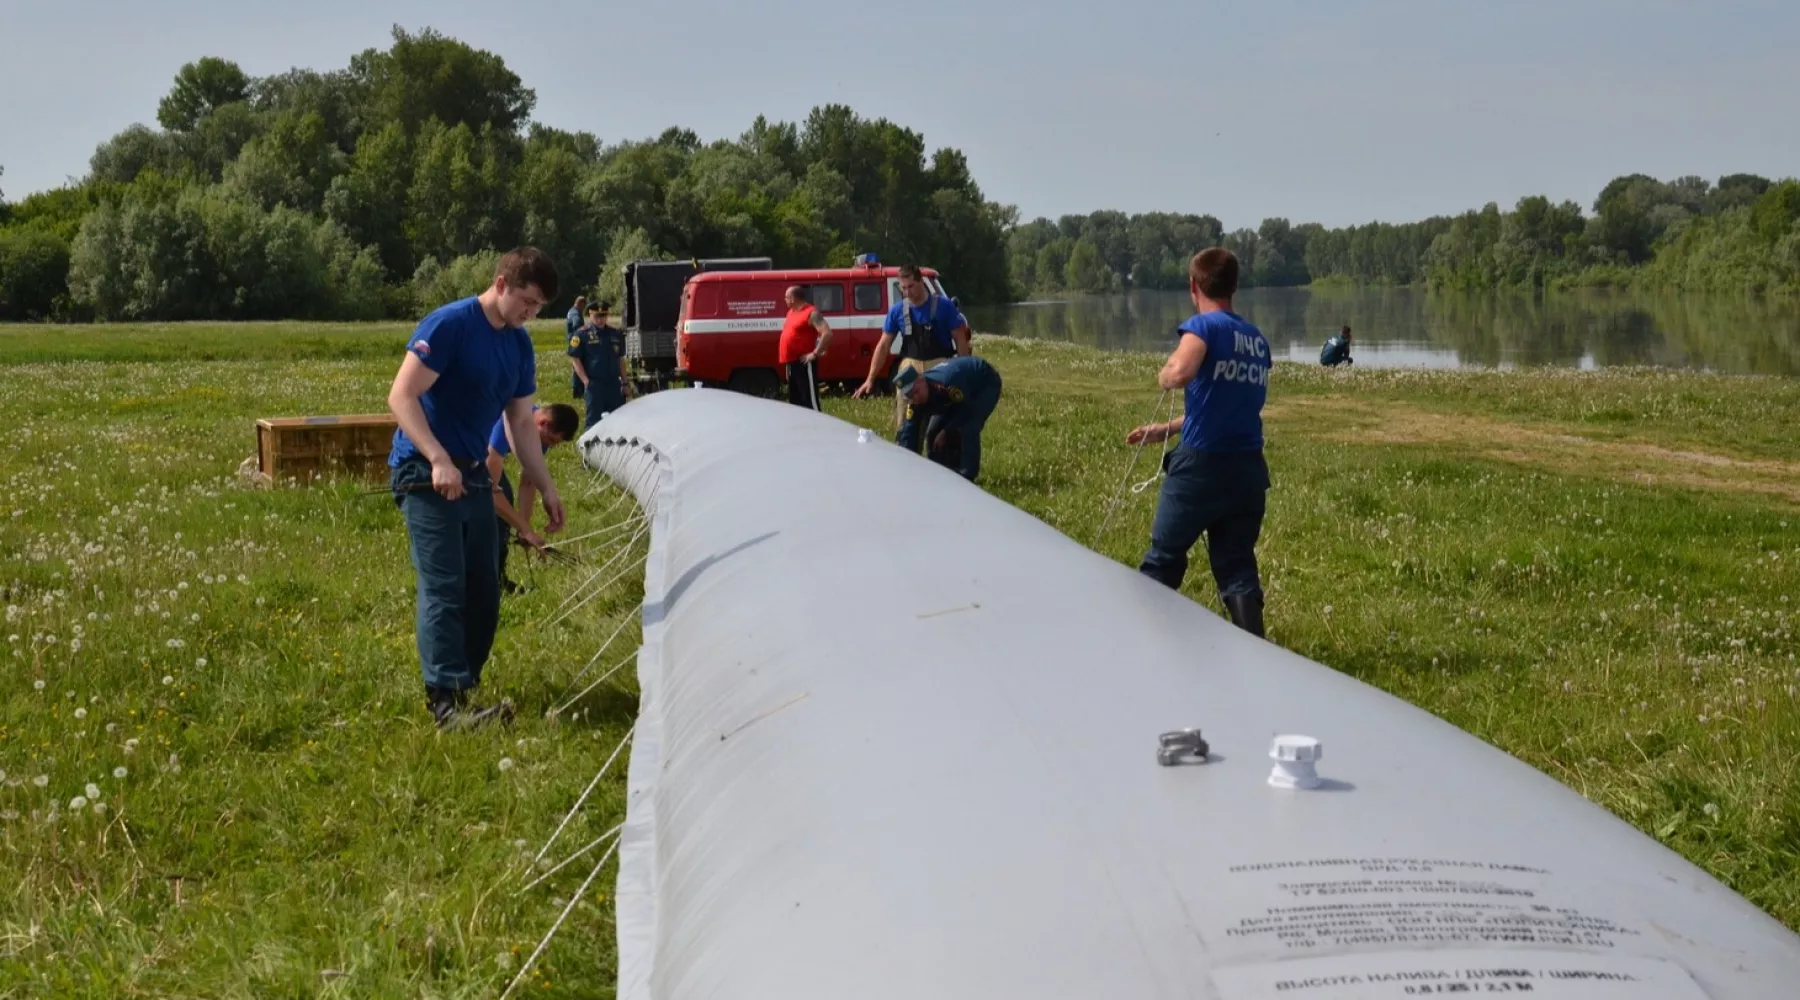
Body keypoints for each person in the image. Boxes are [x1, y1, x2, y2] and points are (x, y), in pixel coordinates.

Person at [387, 246, 566, 730]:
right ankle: (444, 704)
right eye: (527, 301)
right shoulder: (450, 325)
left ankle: (466, 687)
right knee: (446, 586)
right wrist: (437, 457)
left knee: (484, 588)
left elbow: (522, 425)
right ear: (502, 284)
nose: (530, 313)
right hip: (426, 473)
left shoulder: (519, 345)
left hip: (472, 475)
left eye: (539, 308)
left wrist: (546, 487)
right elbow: (401, 397)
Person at [1125, 247, 1271, 638]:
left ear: (1193, 286)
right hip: (1247, 470)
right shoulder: (1257, 341)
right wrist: (1167, 429)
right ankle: (1257, 651)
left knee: (1164, 558)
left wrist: (1165, 373)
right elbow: (1227, 406)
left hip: (1200, 469)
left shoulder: (1202, 328)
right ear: (1234, 287)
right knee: (1237, 566)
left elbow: (1179, 372)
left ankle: (1141, 639)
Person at [852, 264, 971, 452]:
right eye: (903, 288)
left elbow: (960, 338)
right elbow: (883, 346)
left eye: (911, 286)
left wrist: (965, 372)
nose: (908, 292)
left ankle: (942, 463)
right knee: (906, 426)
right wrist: (870, 378)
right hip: (910, 368)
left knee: (940, 423)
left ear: (921, 282)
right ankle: (906, 460)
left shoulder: (944, 306)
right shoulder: (897, 311)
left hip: (940, 366)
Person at [486, 402, 580, 594]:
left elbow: (528, 483)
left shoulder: (538, 437)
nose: (549, 446)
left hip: (485, 458)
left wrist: (524, 524)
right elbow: (490, 489)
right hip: (470, 453)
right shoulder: (509, 423)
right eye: (551, 441)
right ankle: (489, 581)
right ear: (544, 422)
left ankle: (497, 578)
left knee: (505, 509)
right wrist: (525, 528)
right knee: (495, 513)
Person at [892, 356, 1003, 483]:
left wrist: (946, 431)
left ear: (921, 379)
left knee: (968, 426)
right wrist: (904, 467)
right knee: (933, 433)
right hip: (956, 396)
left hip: (983, 383)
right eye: (910, 395)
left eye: (916, 392)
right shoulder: (915, 402)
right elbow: (908, 434)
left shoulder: (946, 383)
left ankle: (967, 477)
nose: (915, 398)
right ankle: (939, 472)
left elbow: (966, 410)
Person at [568, 300, 634, 431]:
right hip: (595, 384)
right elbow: (575, 359)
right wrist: (586, 381)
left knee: (618, 419)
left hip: (614, 384)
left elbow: (620, 359)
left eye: (603, 316)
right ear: (590, 316)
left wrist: (625, 382)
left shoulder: (615, 334)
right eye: (597, 316)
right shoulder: (582, 334)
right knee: (594, 422)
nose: (600, 320)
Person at [778, 285, 834, 410]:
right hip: (791, 363)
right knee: (795, 401)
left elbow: (827, 333)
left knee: (808, 399)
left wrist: (815, 353)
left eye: (786, 297)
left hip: (804, 362)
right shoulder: (790, 313)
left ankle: (817, 424)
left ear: (793, 298)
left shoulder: (811, 312)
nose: (784, 300)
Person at [567, 294, 588, 399]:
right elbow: (576, 325)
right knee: (578, 365)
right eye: (584, 306)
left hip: (572, 340)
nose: (583, 309)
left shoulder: (570, 311)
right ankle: (578, 391)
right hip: (576, 341)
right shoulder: (575, 313)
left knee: (576, 364)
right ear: (581, 303)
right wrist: (585, 328)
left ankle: (577, 391)